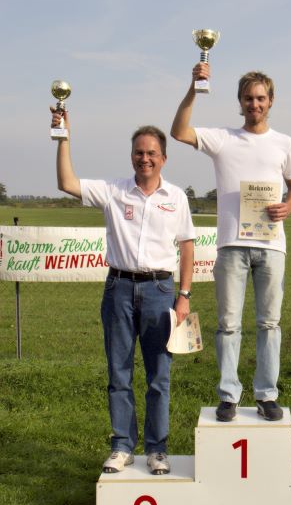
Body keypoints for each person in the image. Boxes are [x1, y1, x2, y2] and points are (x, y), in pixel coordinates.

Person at [51, 107, 195, 474]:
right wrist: (63, 136)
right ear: (131, 156)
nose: (145, 158)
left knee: (159, 376)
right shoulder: (113, 191)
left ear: (164, 158)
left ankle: (157, 449)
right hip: (118, 288)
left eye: (152, 153)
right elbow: (66, 183)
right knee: (119, 373)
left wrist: (184, 295)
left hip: (160, 290)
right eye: (139, 152)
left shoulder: (176, 197)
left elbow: (187, 246)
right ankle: (122, 445)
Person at [171, 62, 291, 422]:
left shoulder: (285, 143)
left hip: (272, 247)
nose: (254, 104)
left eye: (260, 98)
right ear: (240, 102)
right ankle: (229, 394)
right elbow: (178, 131)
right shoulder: (223, 139)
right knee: (228, 324)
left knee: (269, 324)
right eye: (248, 98)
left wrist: (288, 206)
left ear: (271, 101)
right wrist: (194, 88)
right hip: (231, 246)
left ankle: (266, 394)